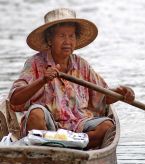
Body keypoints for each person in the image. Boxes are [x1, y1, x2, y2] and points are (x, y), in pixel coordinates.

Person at [8, 8, 135, 149]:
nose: (67, 41)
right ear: (50, 40)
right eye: (62, 36)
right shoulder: (35, 63)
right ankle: (55, 147)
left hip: (79, 127)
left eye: (71, 36)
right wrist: (42, 80)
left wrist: (121, 93)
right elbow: (14, 100)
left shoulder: (82, 65)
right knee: (36, 114)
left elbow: (104, 97)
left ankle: (66, 147)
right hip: (48, 129)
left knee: (107, 126)